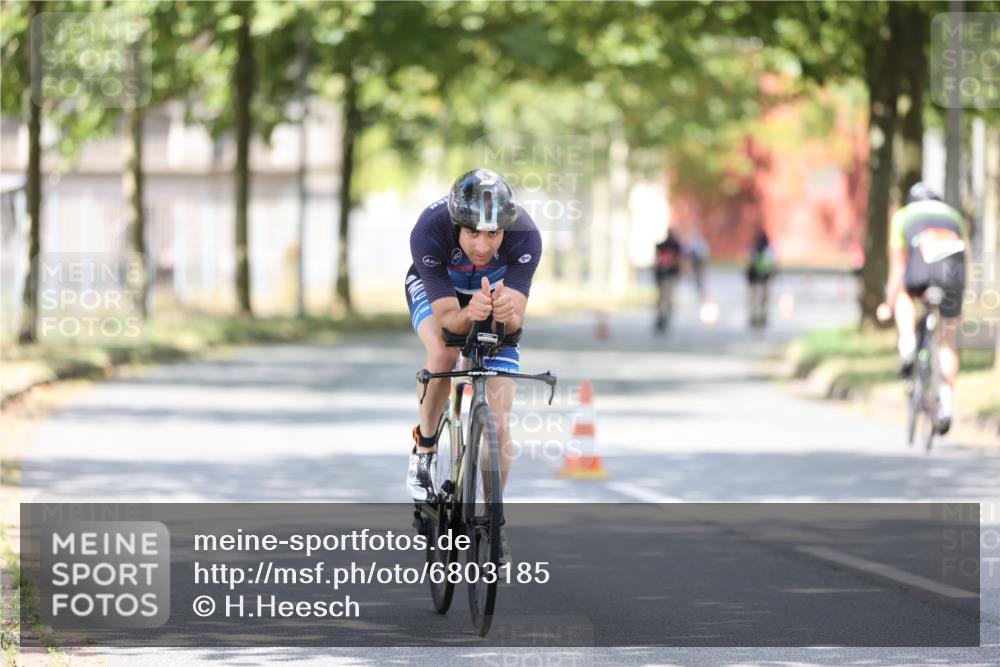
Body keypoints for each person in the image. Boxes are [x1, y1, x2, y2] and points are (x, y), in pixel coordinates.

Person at [404, 168, 542, 562]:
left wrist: (503, 315)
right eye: (472, 233)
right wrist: (469, 314)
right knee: (444, 353)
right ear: (456, 225)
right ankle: (425, 449)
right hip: (441, 290)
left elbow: (514, 323)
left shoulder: (527, 236)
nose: (483, 245)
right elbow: (450, 322)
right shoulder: (430, 230)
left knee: (499, 422)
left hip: (492, 293)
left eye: (493, 233)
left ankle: (492, 520)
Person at [877, 182, 966, 435]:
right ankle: (946, 404)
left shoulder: (903, 216)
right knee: (947, 342)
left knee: (904, 294)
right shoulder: (953, 215)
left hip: (919, 272)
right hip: (952, 278)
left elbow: (898, 268)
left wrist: (888, 303)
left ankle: (907, 344)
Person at [653, 229, 683, 333]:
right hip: (669, 274)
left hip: (663, 274)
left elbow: (657, 261)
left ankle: (663, 315)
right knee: (666, 297)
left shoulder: (662, 246)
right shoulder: (675, 246)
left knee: (663, 297)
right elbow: (679, 260)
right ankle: (664, 315)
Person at [746, 229, 776, 328]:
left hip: (757, 273)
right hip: (762, 272)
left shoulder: (755, 248)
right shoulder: (769, 249)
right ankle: (759, 307)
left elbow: (749, 260)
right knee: (764, 291)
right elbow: (772, 262)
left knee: (757, 292)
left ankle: (757, 307)